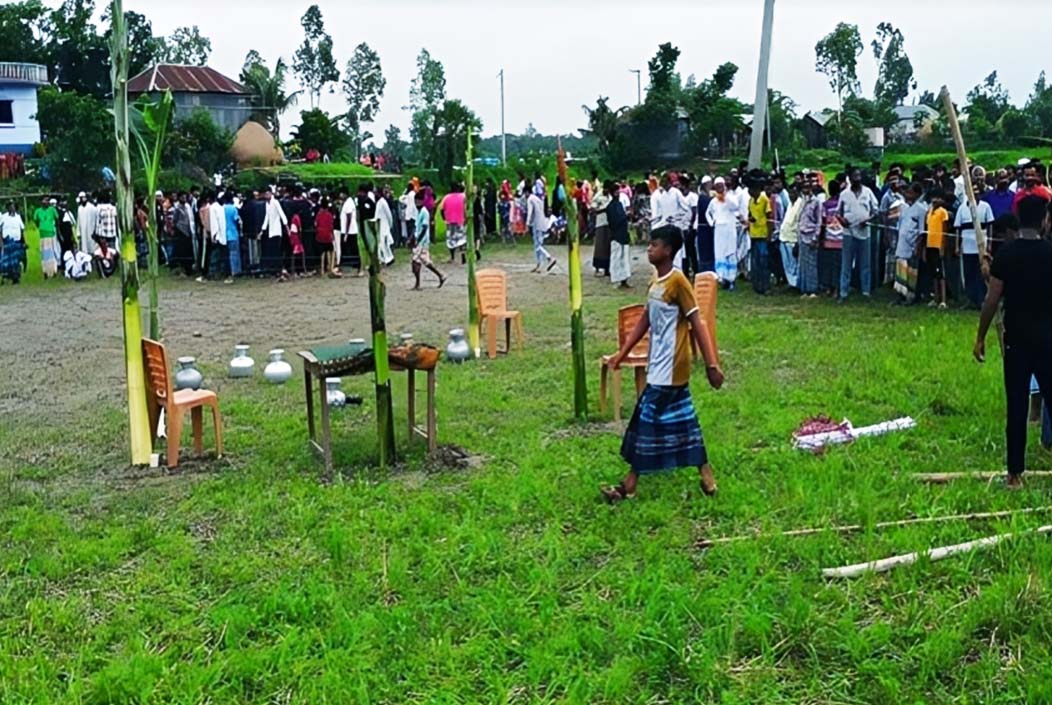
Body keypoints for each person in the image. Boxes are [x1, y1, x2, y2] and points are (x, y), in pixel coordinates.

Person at [600, 225, 724, 503]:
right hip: (658, 364)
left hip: (672, 366)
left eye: (654, 244)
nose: (649, 248)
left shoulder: (679, 283)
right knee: (683, 422)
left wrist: (711, 364)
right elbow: (644, 321)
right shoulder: (656, 283)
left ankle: (629, 485)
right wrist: (622, 354)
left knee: (646, 422)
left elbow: (698, 324)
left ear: (668, 250)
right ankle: (706, 475)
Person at [974, 196, 1052, 489]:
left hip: (1017, 339)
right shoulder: (1050, 252)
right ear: (1044, 219)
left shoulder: (1007, 254)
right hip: (1048, 339)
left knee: (1017, 405)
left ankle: (1014, 474)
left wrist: (980, 337)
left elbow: (991, 300)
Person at [836, 169, 878, 302]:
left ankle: (865, 291)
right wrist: (841, 220)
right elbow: (838, 212)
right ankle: (843, 292)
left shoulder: (868, 192)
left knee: (865, 264)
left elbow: (875, 211)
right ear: (850, 178)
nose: (857, 179)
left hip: (864, 233)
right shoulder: (844, 194)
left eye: (859, 176)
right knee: (846, 264)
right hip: (848, 233)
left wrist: (868, 220)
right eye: (854, 176)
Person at [953, 185, 995, 308]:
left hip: (981, 247)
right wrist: (957, 245)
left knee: (981, 274)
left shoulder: (985, 206)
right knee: (968, 274)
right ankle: (970, 299)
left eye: (977, 191)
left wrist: (990, 244)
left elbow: (990, 226)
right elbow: (957, 229)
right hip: (967, 247)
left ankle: (982, 299)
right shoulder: (962, 208)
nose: (975, 193)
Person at [892, 183, 927, 305]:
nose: (907, 195)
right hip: (902, 243)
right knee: (900, 270)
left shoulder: (922, 209)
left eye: (910, 192)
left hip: (913, 245)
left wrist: (918, 246)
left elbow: (922, 231)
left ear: (917, 194)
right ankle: (900, 294)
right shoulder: (904, 208)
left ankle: (910, 296)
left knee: (911, 272)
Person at [706, 177, 741, 289]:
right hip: (719, 230)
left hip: (730, 229)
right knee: (720, 253)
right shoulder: (713, 201)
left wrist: (725, 197)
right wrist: (712, 223)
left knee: (730, 252)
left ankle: (732, 279)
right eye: (717, 186)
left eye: (721, 185)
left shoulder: (730, 197)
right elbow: (708, 213)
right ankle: (722, 278)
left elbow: (735, 206)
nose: (719, 188)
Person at [410, 189, 446, 290]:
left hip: (423, 241)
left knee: (415, 261)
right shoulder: (419, 212)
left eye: (417, 201)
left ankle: (417, 284)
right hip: (420, 240)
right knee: (425, 261)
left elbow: (425, 227)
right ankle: (440, 276)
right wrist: (412, 237)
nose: (416, 203)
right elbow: (417, 227)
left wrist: (418, 240)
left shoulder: (424, 212)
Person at [746, 179, 773, 294]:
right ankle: (757, 285)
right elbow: (750, 214)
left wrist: (769, 235)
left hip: (763, 234)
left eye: (751, 189)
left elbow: (769, 218)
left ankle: (766, 286)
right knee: (755, 261)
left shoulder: (764, 200)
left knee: (763, 261)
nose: (749, 192)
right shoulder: (751, 201)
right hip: (754, 234)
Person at [924, 191, 950, 309]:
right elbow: (927, 230)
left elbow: (944, 231)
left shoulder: (943, 212)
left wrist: (942, 246)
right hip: (930, 245)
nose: (935, 200)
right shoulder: (929, 213)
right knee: (934, 273)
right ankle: (936, 298)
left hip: (938, 246)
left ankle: (943, 300)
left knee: (941, 274)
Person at [819, 181, 843, 297]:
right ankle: (836, 289)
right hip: (840, 240)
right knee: (838, 266)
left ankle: (829, 288)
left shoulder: (826, 205)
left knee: (828, 265)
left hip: (828, 239)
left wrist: (821, 238)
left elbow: (823, 223)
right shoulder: (842, 204)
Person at [606, 180, 632, 289]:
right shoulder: (610, 207)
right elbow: (614, 221)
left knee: (624, 258)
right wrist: (625, 216)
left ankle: (624, 278)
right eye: (615, 191)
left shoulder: (620, 204)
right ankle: (616, 279)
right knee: (616, 257)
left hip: (623, 233)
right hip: (616, 235)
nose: (617, 193)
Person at [526, 187, 557, 273]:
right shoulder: (538, 199)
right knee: (539, 244)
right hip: (543, 222)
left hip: (536, 224)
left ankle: (549, 258)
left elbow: (530, 212)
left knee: (538, 245)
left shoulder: (530, 199)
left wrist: (528, 223)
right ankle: (539, 265)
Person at [260, 188, 289, 279]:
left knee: (277, 251)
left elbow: (281, 214)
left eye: (268, 193)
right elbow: (267, 218)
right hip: (271, 231)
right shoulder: (267, 204)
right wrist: (262, 230)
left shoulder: (275, 202)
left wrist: (286, 227)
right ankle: (276, 270)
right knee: (272, 251)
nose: (266, 195)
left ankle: (280, 270)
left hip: (276, 230)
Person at [33, 196, 60, 278]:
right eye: (45, 200)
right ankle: (45, 271)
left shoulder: (52, 210)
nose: (47, 202)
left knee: (52, 253)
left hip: (51, 234)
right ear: (41, 201)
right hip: (42, 235)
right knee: (44, 254)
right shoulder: (38, 211)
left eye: (48, 200)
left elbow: (57, 219)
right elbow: (36, 221)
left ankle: (54, 271)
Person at [440, 183, 468, 263]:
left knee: (451, 239)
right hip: (460, 220)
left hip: (450, 221)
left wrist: (444, 218)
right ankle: (463, 255)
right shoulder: (463, 197)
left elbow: (441, 209)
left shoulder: (446, 197)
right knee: (462, 238)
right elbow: (466, 208)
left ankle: (452, 257)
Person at [590, 184, 612, 276]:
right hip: (600, 223)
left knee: (607, 247)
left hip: (609, 223)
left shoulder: (610, 197)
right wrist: (603, 209)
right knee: (599, 246)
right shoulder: (598, 197)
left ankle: (607, 269)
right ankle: (597, 267)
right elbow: (593, 209)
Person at [695, 177, 714, 274]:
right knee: (705, 250)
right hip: (704, 227)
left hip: (707, 227)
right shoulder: (703, 198)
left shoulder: (707, 196)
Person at [315, 199, 338, 277]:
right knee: (331, 251)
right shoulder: (329, 215)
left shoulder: (319, 214)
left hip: (320, 235)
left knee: (322, 253)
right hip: (328, 235)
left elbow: (316, 224)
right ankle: (331, 267)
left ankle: (322, 270)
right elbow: (331, 225)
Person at [340, 188, 360, 276]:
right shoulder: (347, 202)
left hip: (349, 231)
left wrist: (346, 234)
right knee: (349, 249)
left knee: (353, 249)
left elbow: (349, 218)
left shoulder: (348, 203)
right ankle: (350, 266)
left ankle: (357, 266)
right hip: (347, 230)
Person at [375, 186, 396, 266]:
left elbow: (388, 214)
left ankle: (388, 258)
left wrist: (390, 224)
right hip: (380, 225)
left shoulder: (383, 202)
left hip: (384, 225)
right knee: (381, 244)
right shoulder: (379, 202)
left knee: (384, 243)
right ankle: (383, 259)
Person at [223, 194, 242, 279]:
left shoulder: (222, 208)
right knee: (234, 253)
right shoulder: (233, 209)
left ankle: (227, 271)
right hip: (233, 233)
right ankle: (235, 271)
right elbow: (237, 220)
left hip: (224, 234)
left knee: (226, 254)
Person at [76, 192, 98, 257]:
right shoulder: (79, 208)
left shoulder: (92, 208)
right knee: (84, 249)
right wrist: (78, 232)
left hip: (91, 232)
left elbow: (96, 220)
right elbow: (78, 221)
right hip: (83, 232)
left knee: (92, 248)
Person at [400, 184, 418, 253]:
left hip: (409, 214)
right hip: (413, 214)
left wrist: (404, 193)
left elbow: (401, 199)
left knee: (410, 230)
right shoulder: (414, 194)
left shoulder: (408, 195)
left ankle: (411, 245)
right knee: (413, 230)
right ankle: (413, 244)